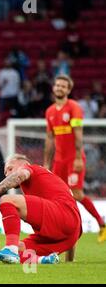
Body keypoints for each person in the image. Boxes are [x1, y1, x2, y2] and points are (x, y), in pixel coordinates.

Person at [0, 154, 81, 264]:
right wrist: (70, 260)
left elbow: (21, 174)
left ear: (25, 164)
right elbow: (72, 223)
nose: (7, 174)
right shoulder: (49, 182)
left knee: (7, 200)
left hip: (62, 217)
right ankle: (43, 260)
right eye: (5, 173)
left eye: (10, 169)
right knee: (19, 248)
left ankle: (10, 250)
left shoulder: (31, 169)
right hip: (68, 236)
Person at [44, 75, 106, 249]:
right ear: (53, 87)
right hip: (59, 161)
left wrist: (79, 157)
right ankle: (60, 232)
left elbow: (78, 133)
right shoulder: (49, 111)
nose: (59, 88)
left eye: (63, 86)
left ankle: (101, 224)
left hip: (73, 159)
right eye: (57, 85)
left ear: (68, 90)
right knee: (56, 196)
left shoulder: (74, 107)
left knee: (76, 194)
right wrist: (47, 163)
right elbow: (50, 138)